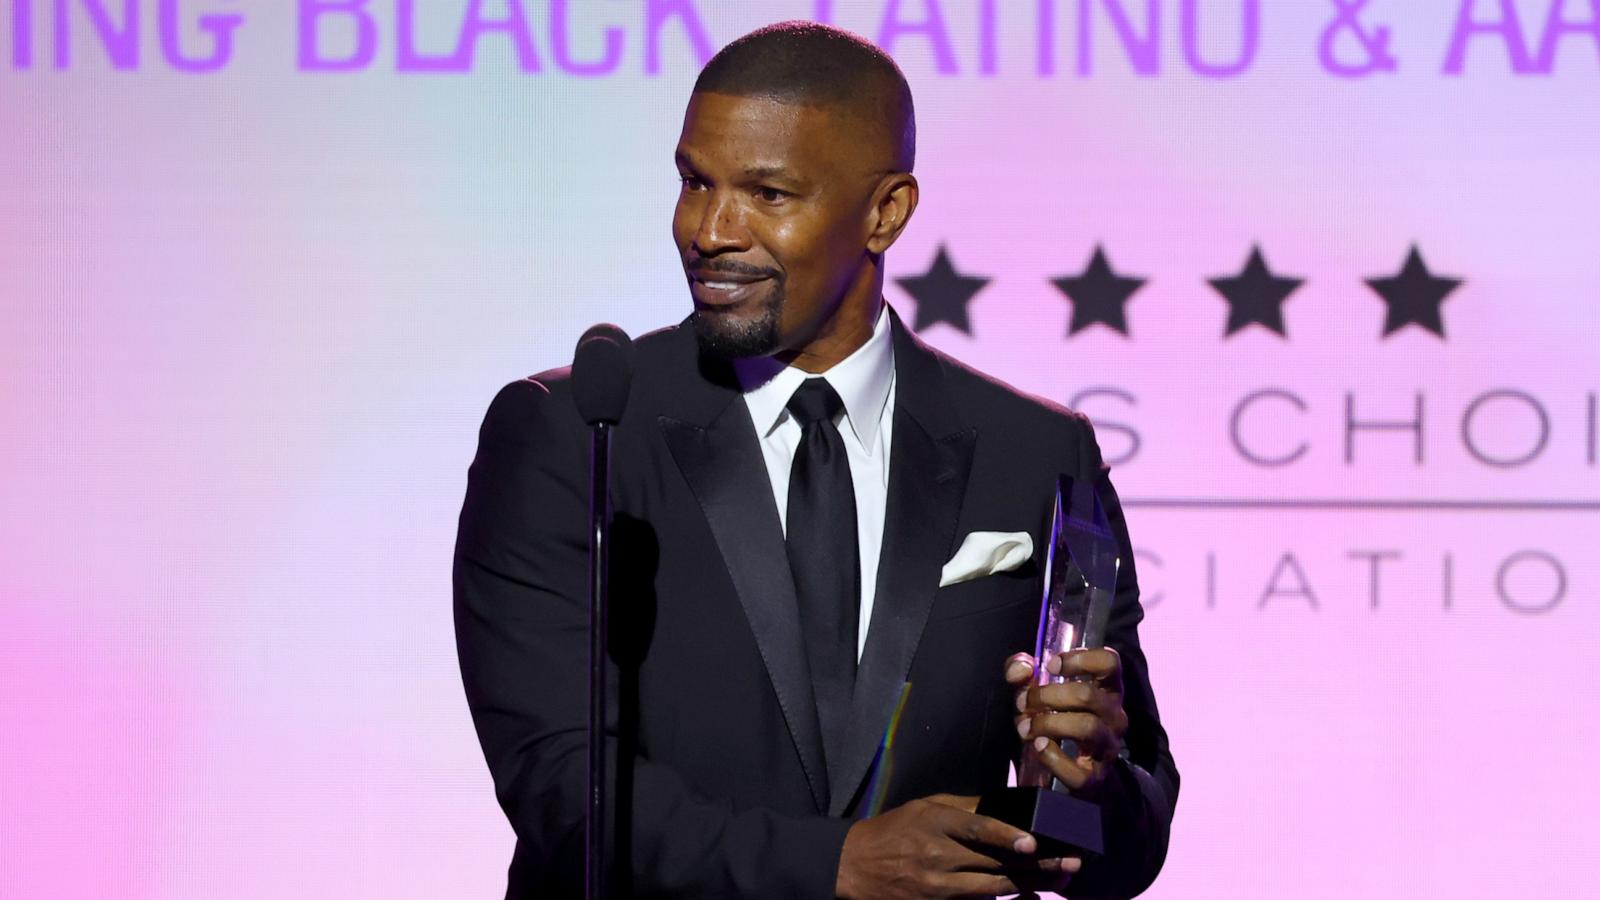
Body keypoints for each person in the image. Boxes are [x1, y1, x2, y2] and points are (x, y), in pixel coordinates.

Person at [453, 20, 1177, 899]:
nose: (711, 229)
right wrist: (836, 866)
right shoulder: (576, 432)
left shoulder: (1033, 450)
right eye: (694, 181)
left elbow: (1126, 847)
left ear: (886, 213)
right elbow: (563, 790)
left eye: (768, 193)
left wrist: (1083, 781)